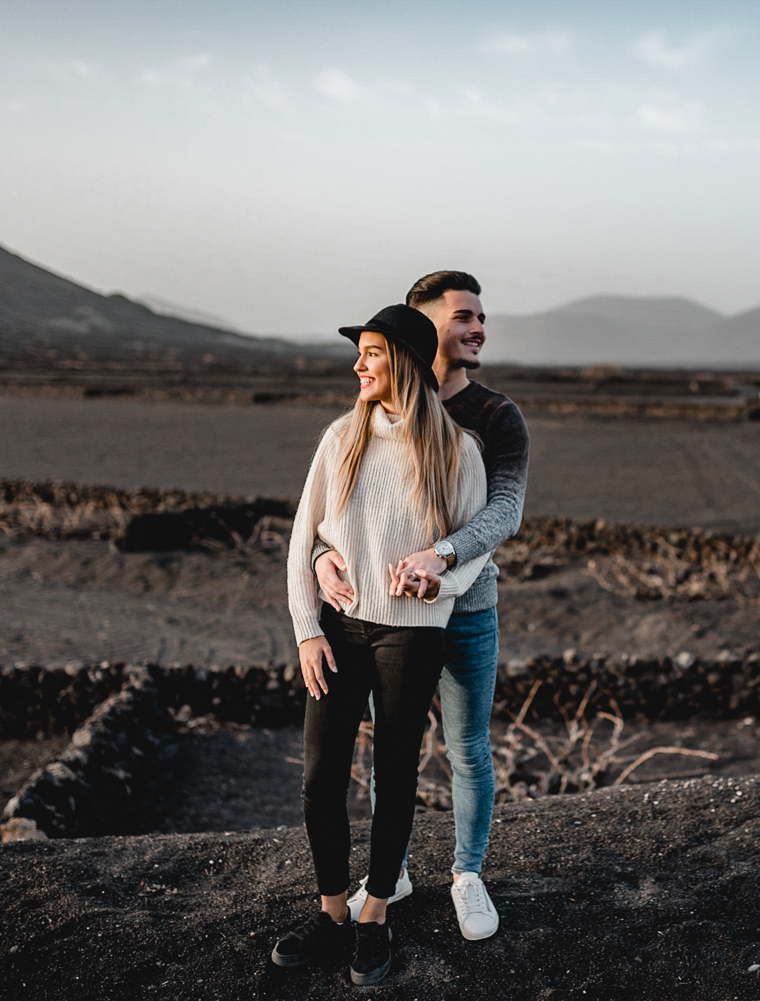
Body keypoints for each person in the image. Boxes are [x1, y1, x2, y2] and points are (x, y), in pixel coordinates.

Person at [271, 303, 491, 986]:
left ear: (401, 360)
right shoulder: (341, 436)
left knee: (395, 772)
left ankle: (373, 915)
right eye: (359, 352)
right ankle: (332, 910)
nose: (359, 364)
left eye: (370, 352)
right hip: (339, 628)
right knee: (320, 776)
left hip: (413, 631)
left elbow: (473, 552)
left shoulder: (458, 450)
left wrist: (436, 583)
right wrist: (307, 628)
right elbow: (303, 538)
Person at [312, 270, 529, 941]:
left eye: (481, 318)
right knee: (390, 752)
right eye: (464, 316)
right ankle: (392, 872)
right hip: (387, 617)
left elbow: (506, 509)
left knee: (465, 747)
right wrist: (324, 556)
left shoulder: (494, 417)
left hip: (466, 611)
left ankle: (467, 874)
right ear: (422, 325)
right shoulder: (371, 414)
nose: (478, 329)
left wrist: (443, 555)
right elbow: (340, 508)